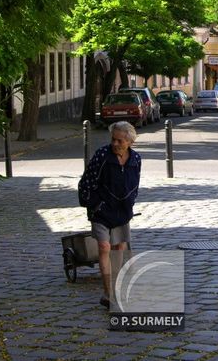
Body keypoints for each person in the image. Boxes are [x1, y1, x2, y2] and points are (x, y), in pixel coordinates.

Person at [78, 121, 141, 308]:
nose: (115, 144)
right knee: (104, 247)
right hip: (101, 209)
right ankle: (108, 293)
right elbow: (86, 182)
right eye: (113, 139)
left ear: (129, 141)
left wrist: (130, 203)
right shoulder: (102, 156)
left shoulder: (135, 159)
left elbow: (135, 184)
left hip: (122, 210)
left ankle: (116, 289)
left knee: (119, 248)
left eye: (119, 140)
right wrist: (94, 204)